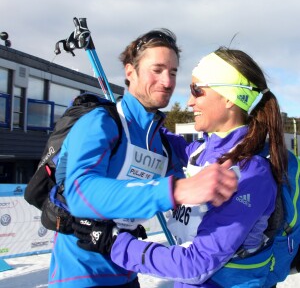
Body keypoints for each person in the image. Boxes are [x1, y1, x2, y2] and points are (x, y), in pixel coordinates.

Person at [76, 47, 288, 287]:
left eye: (197, 91)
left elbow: (195, 265)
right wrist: (125, 117)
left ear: (230, 97)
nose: (189, 102)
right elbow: (156, 136)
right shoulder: (200, 152)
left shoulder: (251, 173)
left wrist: (115, 244)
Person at [48, 30, 238, 288]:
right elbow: (80, 193)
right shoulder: (100, 123)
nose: (168, 81)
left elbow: (205, 162)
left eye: (172, 72)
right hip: (80, 272)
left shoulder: (161, 141)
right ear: (130, 72)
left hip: (127, 267)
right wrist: (175, 190)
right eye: (157, 70)